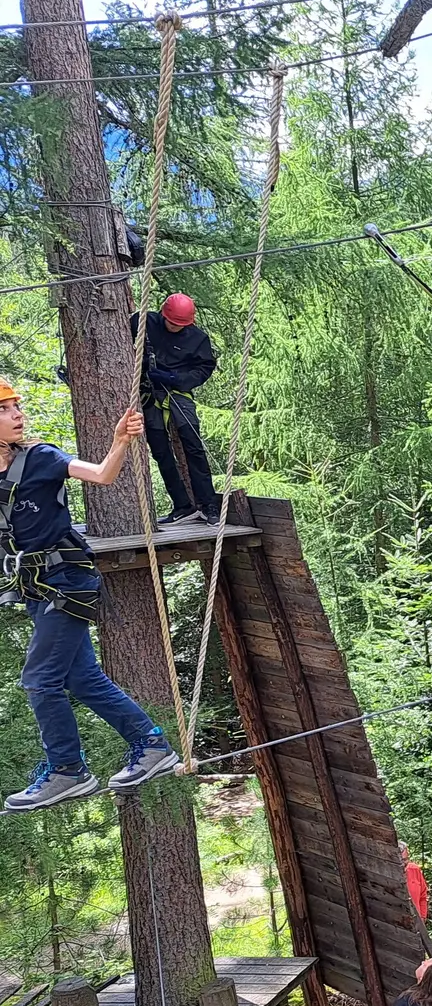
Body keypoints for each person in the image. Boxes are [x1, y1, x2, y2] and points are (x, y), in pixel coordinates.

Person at [2, 386, 180, 811]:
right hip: (36, 587)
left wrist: (120, 442)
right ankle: (151, 744)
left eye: (16, 407)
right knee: (82, 678)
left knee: (40, 678)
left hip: (67, 581)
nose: (17, 414)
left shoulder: (40, 458)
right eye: (5, 409)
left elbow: (101, 475)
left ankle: (67, 770)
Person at [131, 293, 219, 526]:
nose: (175, 328)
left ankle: (209, 505)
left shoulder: (197, 339)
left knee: (193, 445)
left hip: (178, 391)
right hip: (149, 392)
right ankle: (182, 505)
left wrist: (174, 378)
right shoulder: (143, 322)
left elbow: (203, 369)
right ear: (163, 314)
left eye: (180, 325)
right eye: (172, 323)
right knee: (160, 450)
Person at [401, 841, 429, 923]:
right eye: (400, 860)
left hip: (416, 923)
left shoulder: (415, 869)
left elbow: (423, 896)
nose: (403, 863)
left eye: (405, 859)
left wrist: (423, 917)